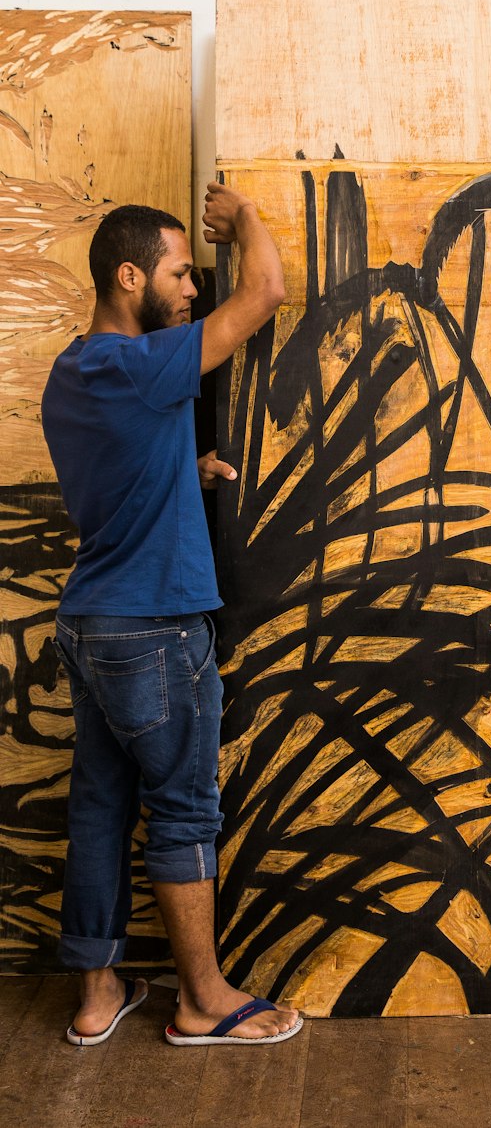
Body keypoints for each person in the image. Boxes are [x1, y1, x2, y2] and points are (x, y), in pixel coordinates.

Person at [40, 181, 302, 1048]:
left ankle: (95, 995)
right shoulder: (146, 367)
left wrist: (179, 476)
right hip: (153, 629)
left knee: (99, 807)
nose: (194, 290)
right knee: (186, 811)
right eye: (183, 274)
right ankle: (202, 1001)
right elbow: (264, 290)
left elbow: (111, 487)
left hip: (88, 624)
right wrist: (246, 220)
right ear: (129, 277)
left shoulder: (74, 374)